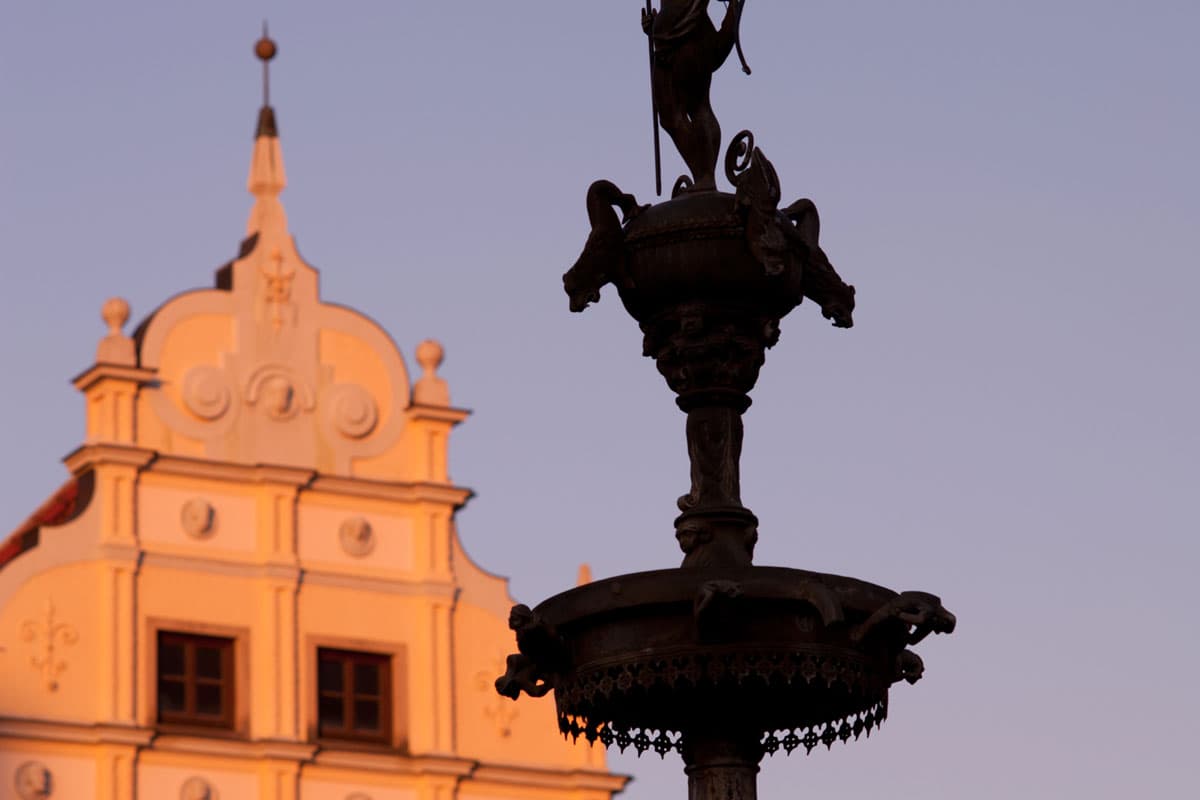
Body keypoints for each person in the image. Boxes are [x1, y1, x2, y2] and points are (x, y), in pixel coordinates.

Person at [643, 0, 745, 190]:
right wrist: (655, 26)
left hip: (687, 33)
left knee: (697, 106)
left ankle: (705, 177)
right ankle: (703, 176)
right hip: (671, 37)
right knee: (673, 115)